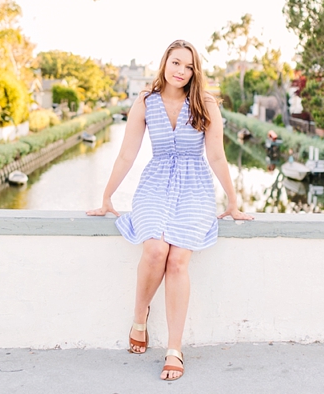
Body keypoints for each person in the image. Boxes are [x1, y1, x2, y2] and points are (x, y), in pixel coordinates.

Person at [86, 39, 253, 381]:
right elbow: (127, 154)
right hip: (156, 183)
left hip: (195, 187)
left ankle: (174, 349)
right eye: (176, 63)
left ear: (196, 72)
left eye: (189, 66)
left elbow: (217, 156)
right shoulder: (146, 102)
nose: (181, 71)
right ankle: (140, 314)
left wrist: (233, 202)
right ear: (164, 63)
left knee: (178, 260)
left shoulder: (205, 103)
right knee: (156, 249)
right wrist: (107, 197)